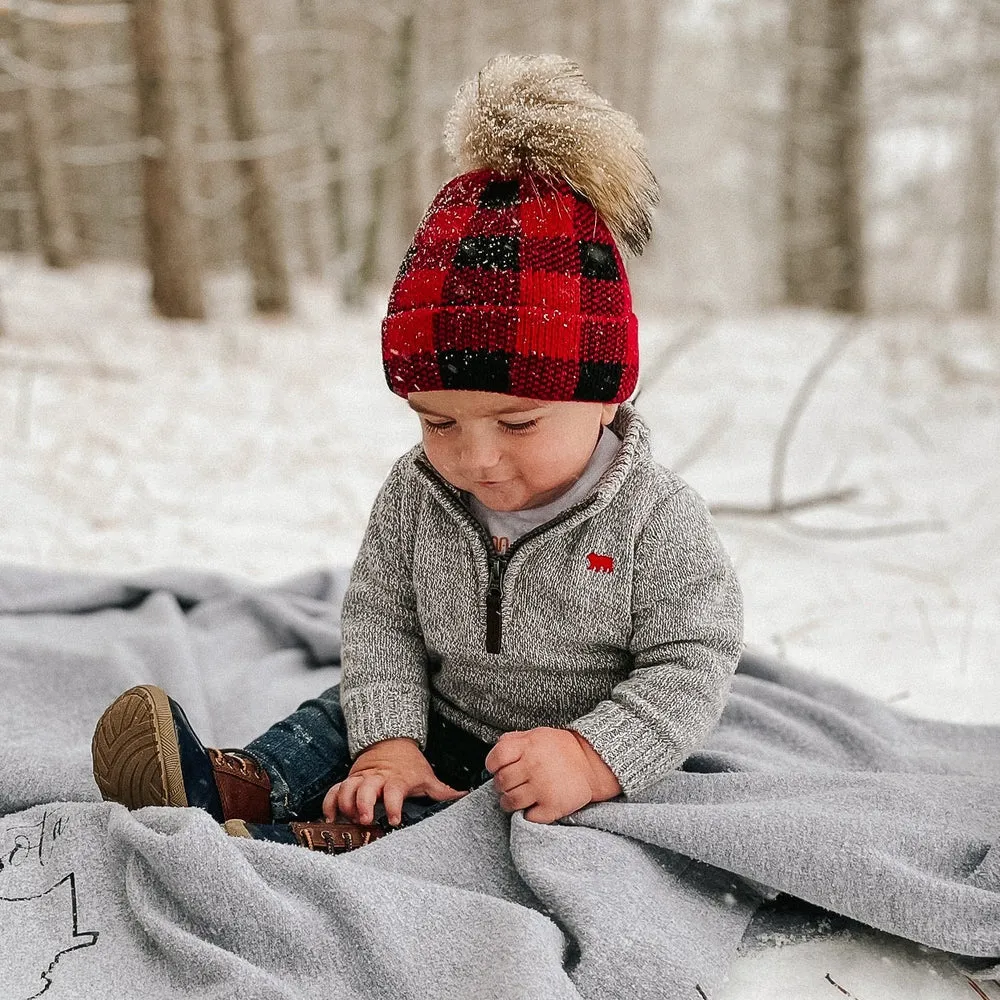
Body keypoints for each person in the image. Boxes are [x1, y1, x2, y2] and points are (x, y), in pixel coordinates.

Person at [91, 53, 744, 853]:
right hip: (434, 710)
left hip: (557, 757)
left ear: (608, 395)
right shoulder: (416, 494)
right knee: (332, 716)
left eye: (518, 424)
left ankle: (329, 841)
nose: (475, 459)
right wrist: (388, 739)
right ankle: (231, 785)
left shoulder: (655, 518)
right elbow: (382, 621)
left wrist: (595, 755)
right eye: (438, 423)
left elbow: (692, 661)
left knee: (496, 819)